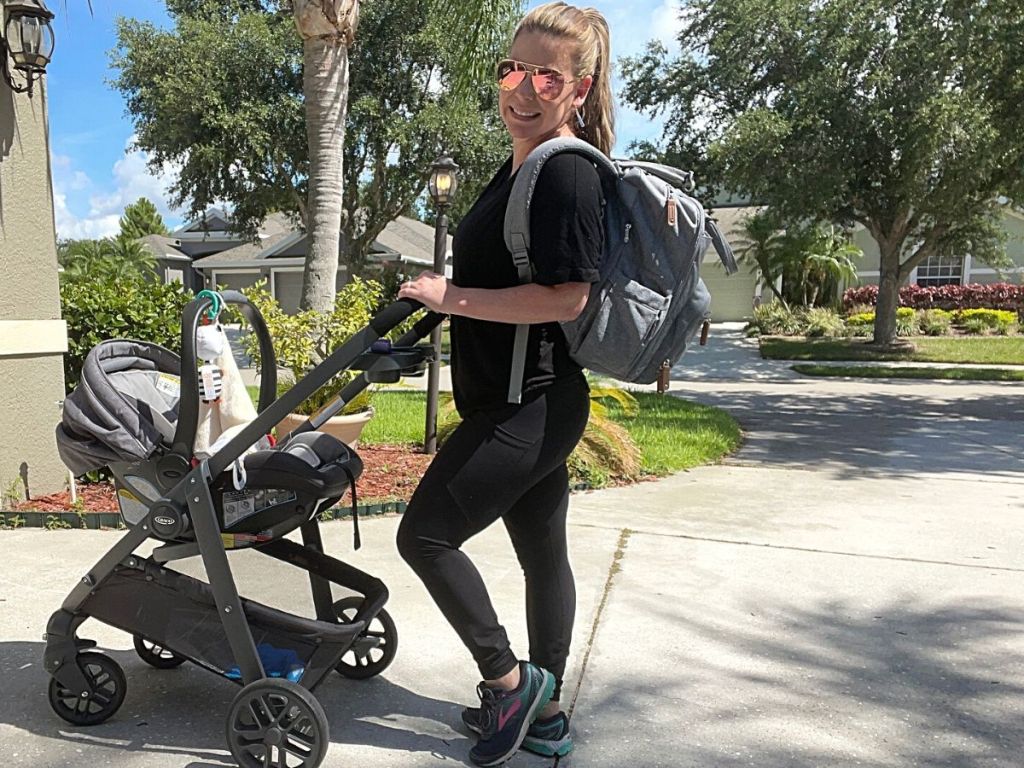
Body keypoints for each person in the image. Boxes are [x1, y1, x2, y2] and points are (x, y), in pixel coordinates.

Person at [396, 3, 614, 765]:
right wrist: (439, 288)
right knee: (542, 554)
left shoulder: (569, 173)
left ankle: (508, 680)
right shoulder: (516, 164)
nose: (523, 88)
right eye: (512, 69)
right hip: (521, 400)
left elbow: (567, 297)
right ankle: (545, 717)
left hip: (533, 404)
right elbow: (498, 271)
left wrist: (450, 299)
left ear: (577, 90)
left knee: (423, 535)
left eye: (546, 75)